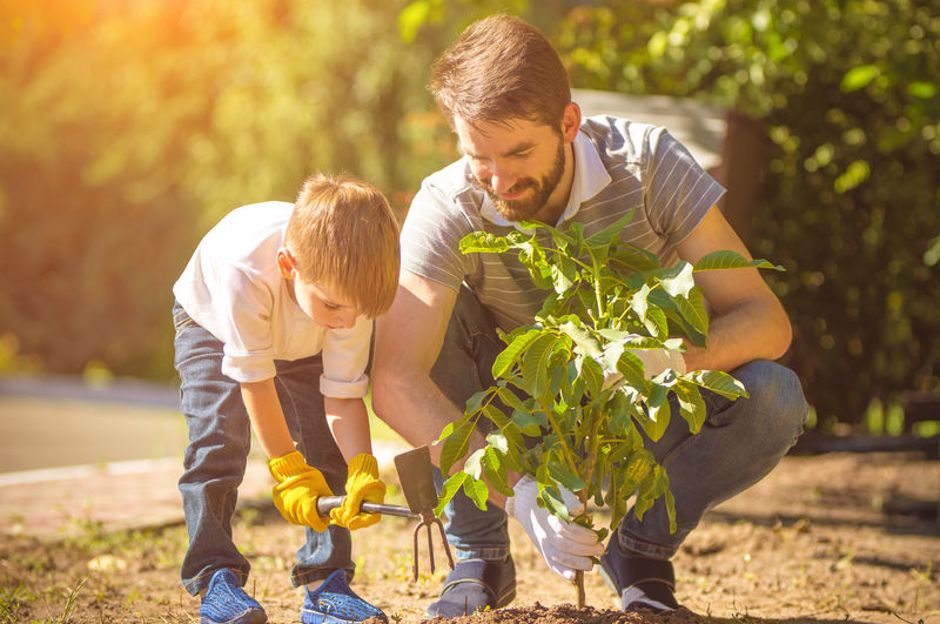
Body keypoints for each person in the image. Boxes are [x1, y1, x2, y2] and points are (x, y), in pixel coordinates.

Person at [372, 14, 808, 618]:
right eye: (480, 157)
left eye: (519, 151)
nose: (499, 180)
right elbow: (394, 378)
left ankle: (639, 552)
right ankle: (479, 554)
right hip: (515, 420)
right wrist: (519, 494)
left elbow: (766, 320)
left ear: (569, 123)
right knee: (425, 317)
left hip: (637, 408)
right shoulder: (447, 205)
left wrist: (664, 359)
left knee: (776, 396)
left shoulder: (649, 165)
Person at [172, 173, 400, 624]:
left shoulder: (345, 300)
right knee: (218, 441)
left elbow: (343, 395)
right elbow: (255, 379)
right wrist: (288, 470)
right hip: (214, 324)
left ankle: (326, 582)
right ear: (287, 265)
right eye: (336, 307)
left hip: (302, 336)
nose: (347, 322)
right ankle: (215, 577)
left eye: (358, 311)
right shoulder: (246, 272)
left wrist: (362, 466)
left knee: (327, 447)